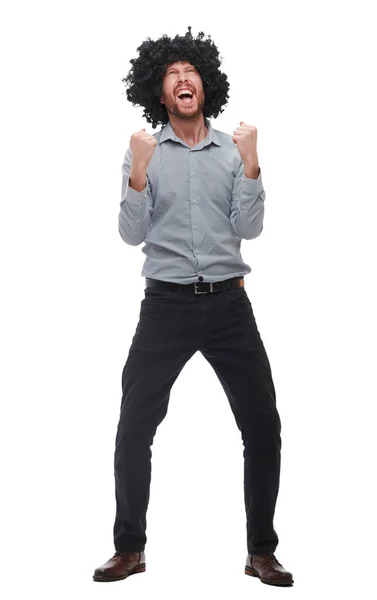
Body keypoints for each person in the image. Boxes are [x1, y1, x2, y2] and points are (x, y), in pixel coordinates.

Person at [93, 26, 293, 587]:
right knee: (134, 427)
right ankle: (129, 548)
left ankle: (262, 552)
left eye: (191, 72)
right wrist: (136, 170)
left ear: (206, 84)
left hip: (230, 304)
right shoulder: (144, 151)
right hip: (166, 307)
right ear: (160, 93)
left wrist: (253, 164)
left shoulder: (233, 149)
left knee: (263, 426)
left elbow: (248, 228)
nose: (184, 80)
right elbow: (131, 236)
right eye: (172, 75)